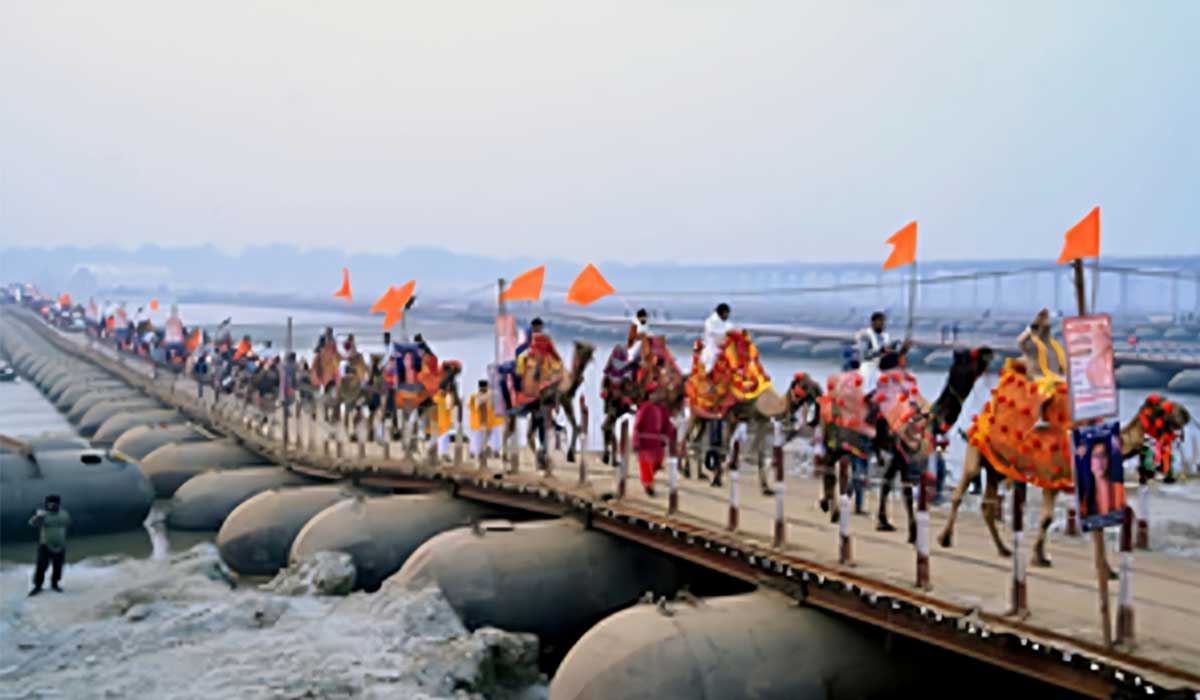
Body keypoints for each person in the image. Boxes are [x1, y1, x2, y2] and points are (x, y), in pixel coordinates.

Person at [1015, 308, 1065, 430]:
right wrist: (1033, 327)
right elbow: (1020, 341)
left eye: (1048, 329)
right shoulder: (1032, 344)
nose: (1046, 331)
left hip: (1052, 381)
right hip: (1036, 380)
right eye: (1044, 328)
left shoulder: (1053, 347)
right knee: (1045, 390)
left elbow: (1060, 366)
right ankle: (1038, 417)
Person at [854, 312, 908, 392]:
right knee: (870, 384)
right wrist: (880, 351)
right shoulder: (865, 336)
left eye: (884, 322)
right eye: (880, 321)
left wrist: (902, 348)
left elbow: (891, 349)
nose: (883, 324)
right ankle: (869, 393)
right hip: (870, 364)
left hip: (884, 365)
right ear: (873, 322)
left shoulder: (885, 336)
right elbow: (864, 355)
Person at [29, 495, 70, 596]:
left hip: (60, 545)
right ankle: (38, 586)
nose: (51, 505)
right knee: (41, 566)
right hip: (45, 545)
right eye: (49, 503)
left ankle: (55, 584)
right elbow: (32, 523)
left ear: (58, 504)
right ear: (46, 504)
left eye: (54, 503)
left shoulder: (64, 514)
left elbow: (68, 522)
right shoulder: (43, 515)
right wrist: (38, 517)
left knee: (58, 567)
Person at [701, 303, 732, 374]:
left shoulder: (718, 322)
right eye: (727, 313)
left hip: (717, 346)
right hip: (713, 348)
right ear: (724, 313)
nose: (728, 316)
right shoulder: (713, 322)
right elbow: (715, 334)